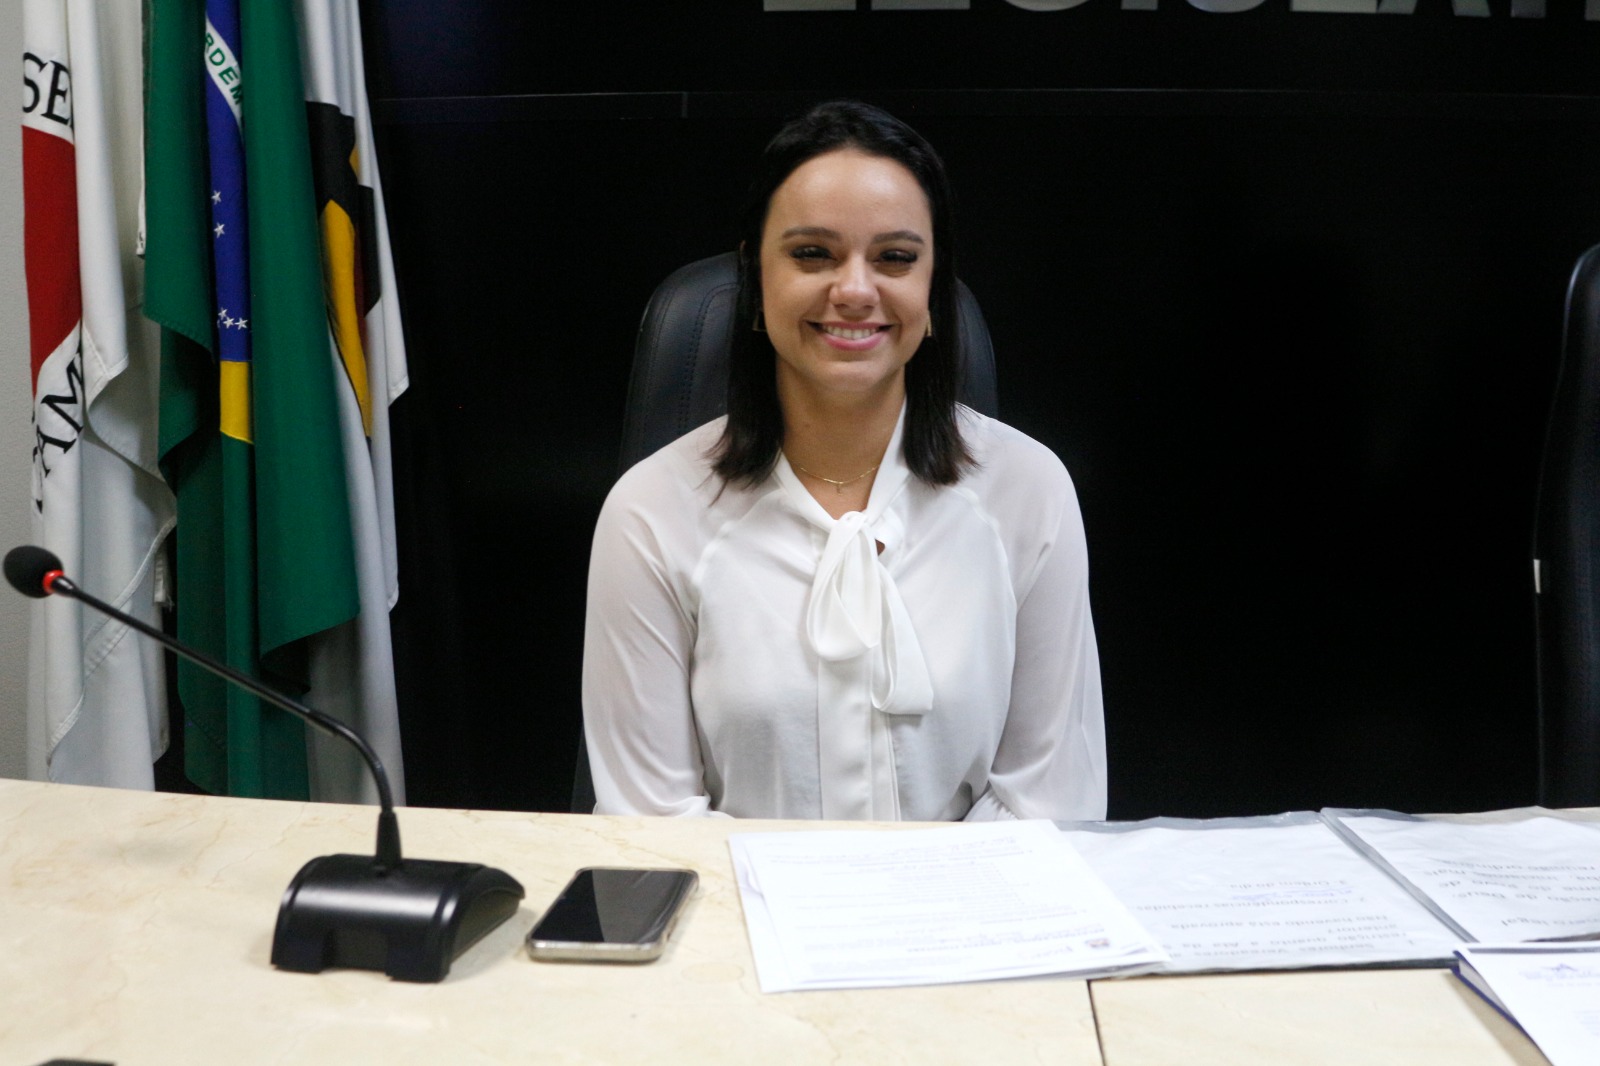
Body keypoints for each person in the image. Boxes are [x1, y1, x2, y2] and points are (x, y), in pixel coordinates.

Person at [582, 101, 1105, 821]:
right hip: (734, 899)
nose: (855, 291)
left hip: (981, 897)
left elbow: (1050, 805)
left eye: (895, 258)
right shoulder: (650, 514)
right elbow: (652, 833)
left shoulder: (1029, 492)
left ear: (932, 287)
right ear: (756, 280)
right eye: (812, 254)